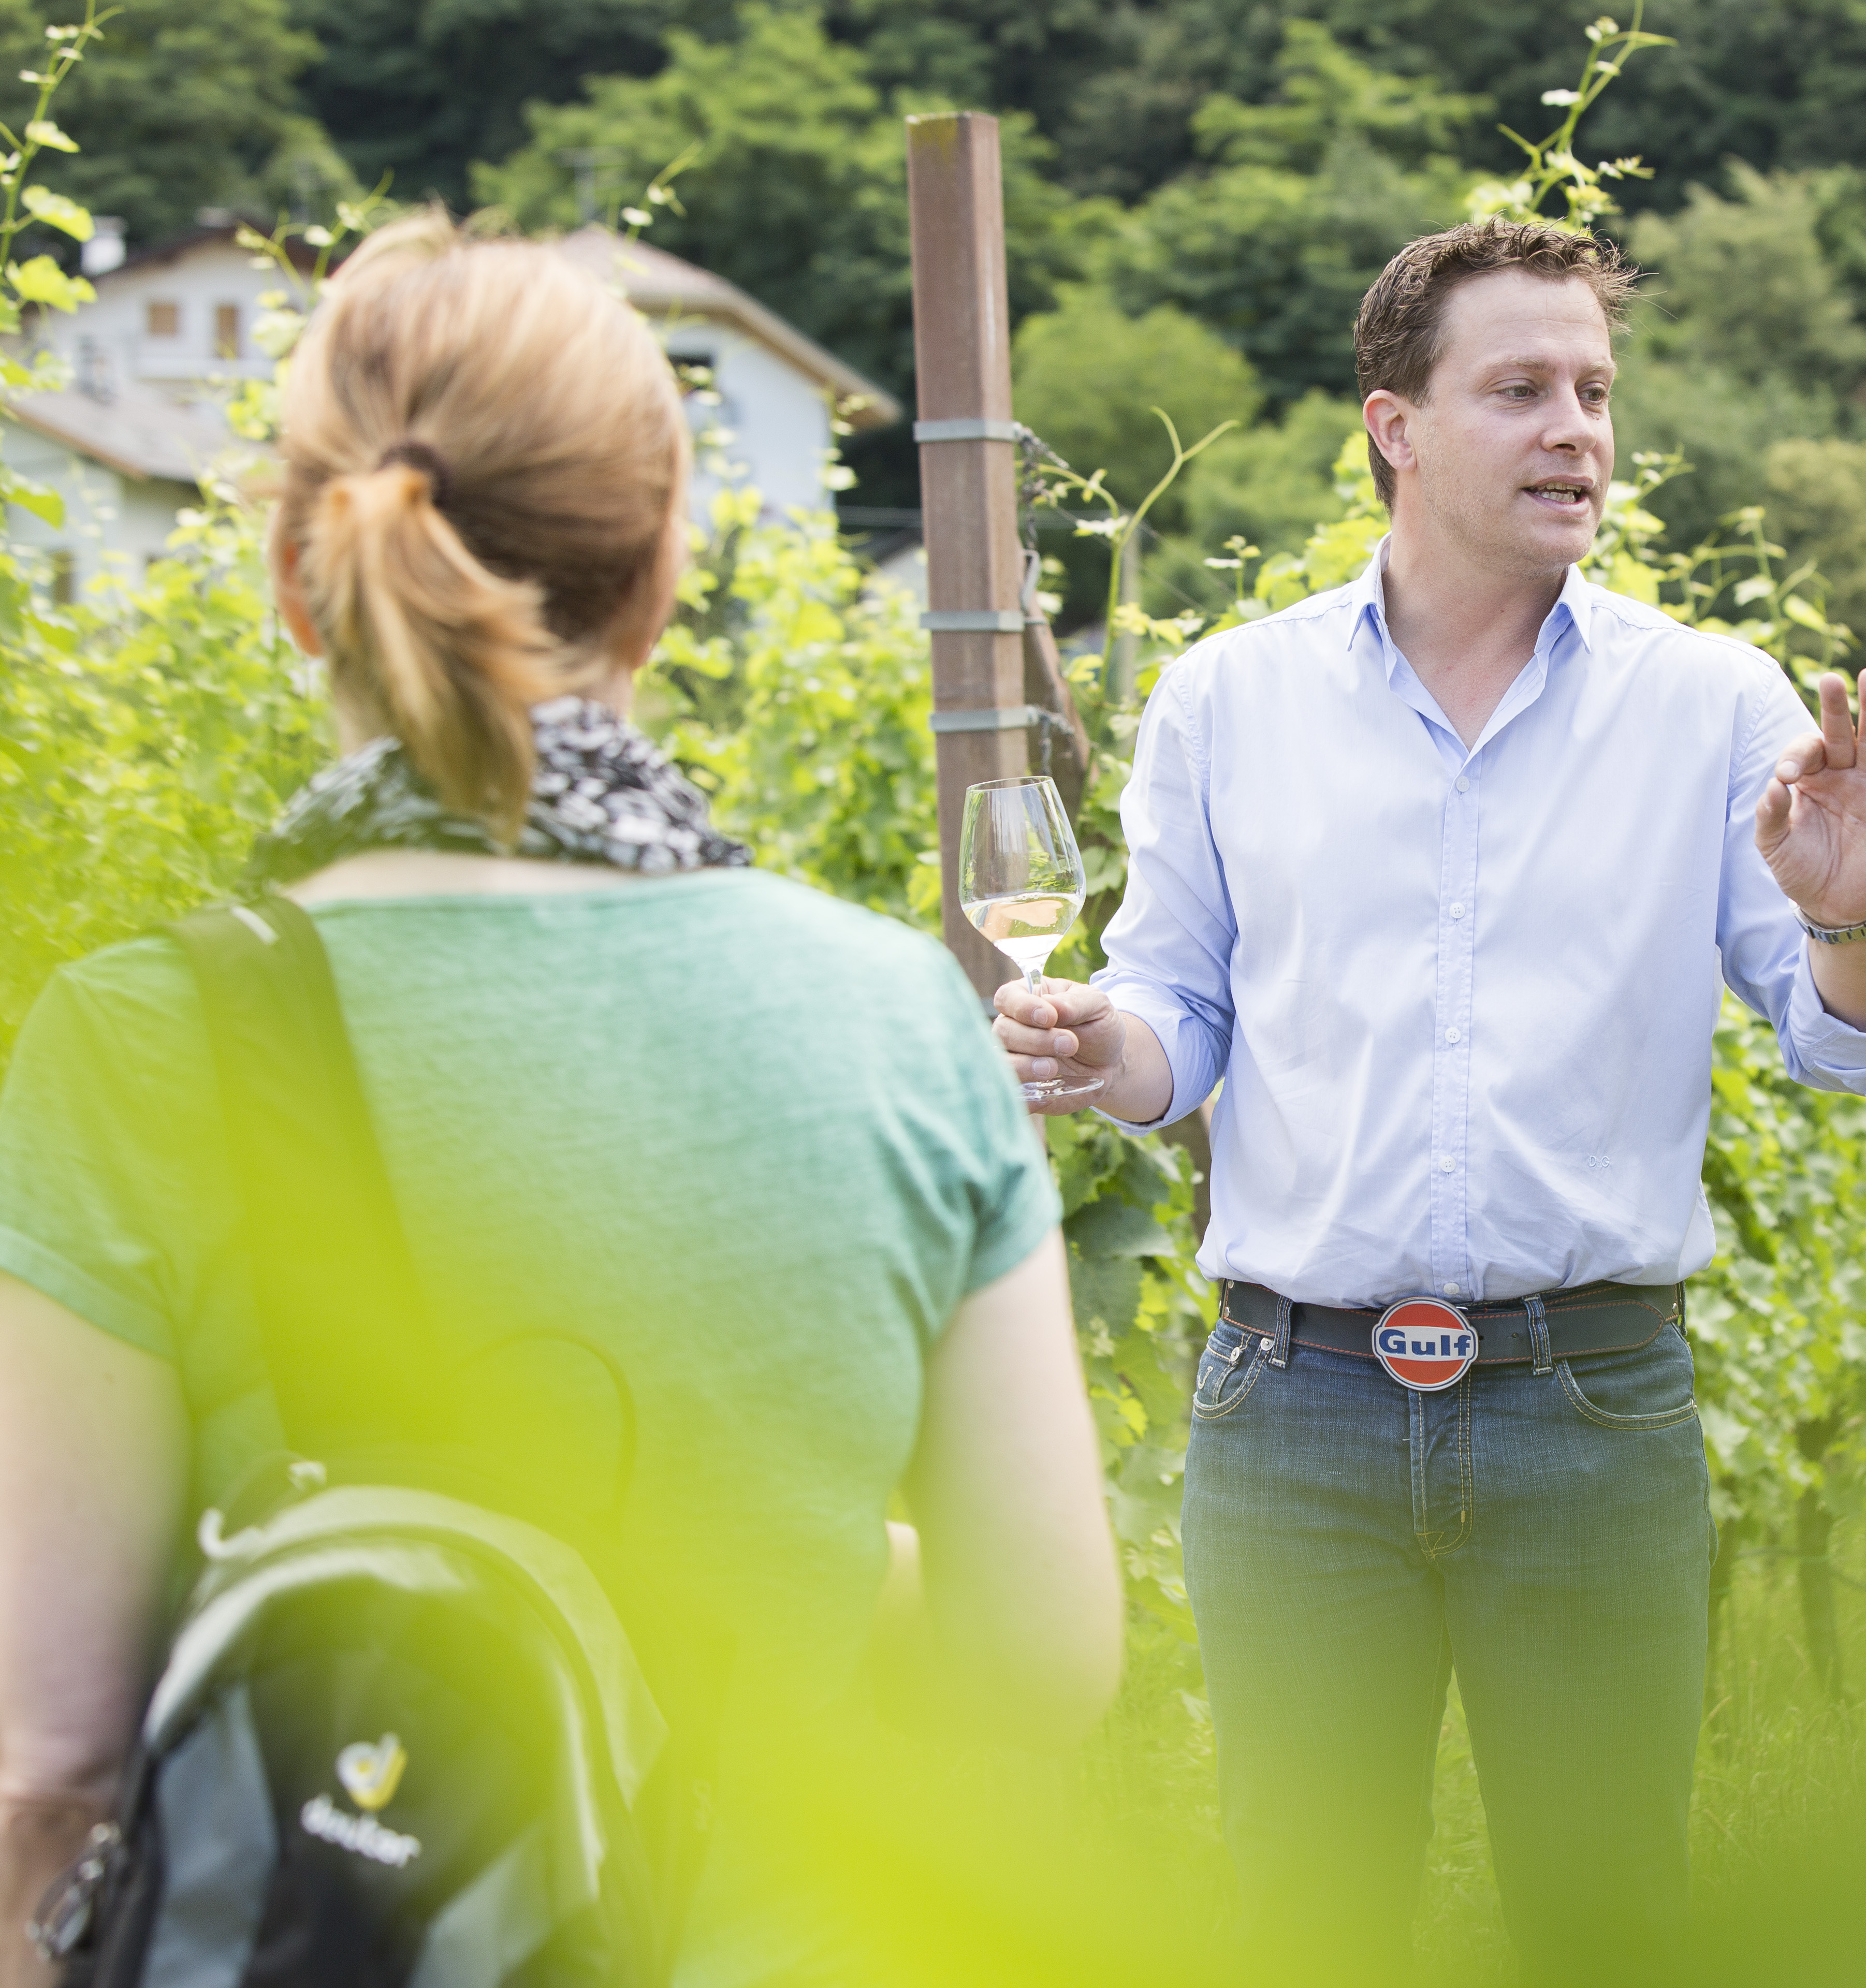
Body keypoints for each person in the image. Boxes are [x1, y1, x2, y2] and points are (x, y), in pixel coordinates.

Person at [0, 212, 1121, 1988]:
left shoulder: (134, 1046)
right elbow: (1039, 1661)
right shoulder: (900, 1016)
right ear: (664, 575)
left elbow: (46, 1772)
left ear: (296, 580)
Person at [992, 218, 1866, 1977]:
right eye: (1519, 389)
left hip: (1588, 1405)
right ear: (1396, 427)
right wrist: (1098, 1052)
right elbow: (1177, 1014)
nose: (1576, 427)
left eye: (1594, 389)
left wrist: (1854, 915)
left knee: (1608, 1927)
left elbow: (1848, 1047)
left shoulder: (1712, 706)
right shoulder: (1230, 701)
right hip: (1294, 1412)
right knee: (1309, 1923)